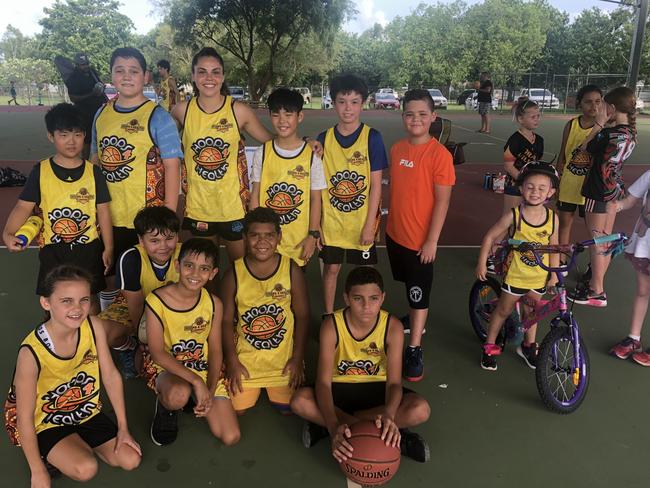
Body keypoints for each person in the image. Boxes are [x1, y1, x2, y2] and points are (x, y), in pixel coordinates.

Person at [4, 265, 141, 485]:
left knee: (130, 459)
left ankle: (72, 445)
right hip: (46, 420)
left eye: (84, 300)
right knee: (86, 468)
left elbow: (110, 376)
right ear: (46, 302)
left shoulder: (93, 326)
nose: (77, 308)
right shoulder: (30, 353)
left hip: (83, 408)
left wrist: (123, 428)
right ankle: (49, 454)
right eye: (66, 301)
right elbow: (25, 417)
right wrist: (37, 471)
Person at [290, 266, 431, 463]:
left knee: (420, 410)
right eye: (358, 299)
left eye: (373, 298)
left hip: (377, 391)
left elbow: (393, 384)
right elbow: (323, 383)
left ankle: (335, 426)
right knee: (299, 401)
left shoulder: (392, 327)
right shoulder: (332, 325)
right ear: (347, 298)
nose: (366, 306)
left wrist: (389, 415)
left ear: (382, 298)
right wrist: (333, 425)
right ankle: (390, 434)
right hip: (339, 390)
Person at [2, 103, 112, 313]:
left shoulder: (94, 173)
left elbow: (104, 211)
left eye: (77, 134)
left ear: (85, 136)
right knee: (53, 303)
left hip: (89, 250)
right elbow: (23, 207)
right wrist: (8, 233)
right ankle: (56, 342)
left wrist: (109, 247)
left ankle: (90, 341)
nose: (72, 141)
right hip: (53, 251)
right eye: (64, 135)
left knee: (89, 303)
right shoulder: (40, 171)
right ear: (51, 137)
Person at [170, 48, 274, 262]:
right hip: (199, 206)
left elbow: (271, 141)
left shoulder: (238, 111)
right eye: (202, 72)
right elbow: (157, 145)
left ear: (223, 76)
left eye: (215, 72)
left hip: (232, 207)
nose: (209, 78)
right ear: (193, 76)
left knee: (241, 268)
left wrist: (306, 142)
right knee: (205, 272)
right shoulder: (182, 111)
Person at [91, 47, 182, 282]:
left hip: (146, 220)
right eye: (119, 70)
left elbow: (172, 167)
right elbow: (94, 162)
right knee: (108, 277)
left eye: (134, 71)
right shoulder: (101, 114)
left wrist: (167, 219)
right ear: (111, 75)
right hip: (108, 216)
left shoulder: (159, 117)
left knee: (144, 281)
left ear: (146, 76)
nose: (126, 76)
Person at [385, 89, 455, 382]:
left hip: (419, 243)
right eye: (410, 114)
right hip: (394, 235)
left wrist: (431, 240)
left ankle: (414, 346)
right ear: (403, 117)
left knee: (419, 295)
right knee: (408, 286)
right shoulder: (398, 149)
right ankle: (413, 318)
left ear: (433, 117)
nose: (416, 119)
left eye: (422, 114)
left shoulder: (439, 155)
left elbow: (442, 201)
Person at [145, 238, 240, 446]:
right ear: (178, 266)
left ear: (213, 273)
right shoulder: (156, 300)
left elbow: (215, 350)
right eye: (189, 266)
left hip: (201, 366)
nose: (195, 274)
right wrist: (197, 382)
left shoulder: (214, 304)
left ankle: (193, 396)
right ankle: (166, 406)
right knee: (178, 394)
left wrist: (210, 389)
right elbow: (157, 353)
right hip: (167, 366)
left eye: (204, 268)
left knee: (230, 436)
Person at [220, 207, 310, 415]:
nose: (262, 242)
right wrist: (232, 362)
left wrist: (297, 358)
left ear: (279, 237)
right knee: (237, 411)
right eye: (254, 235)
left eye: (269, 235)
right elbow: (225, 321)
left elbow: (303, 316)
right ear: (244, 238)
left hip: (282, 361)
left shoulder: (291, 270)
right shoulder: (233, 273)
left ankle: (279, 382)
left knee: (289, 409)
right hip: (247, 360)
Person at [476, 162, 560, 371]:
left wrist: (554, 275)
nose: (535, 192)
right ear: (521, 188)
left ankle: (528, 346)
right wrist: (481, 262)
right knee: (503, 310)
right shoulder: (514, 215)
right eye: (530, 187)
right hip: (515, 275)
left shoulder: (552, 218)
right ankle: (490, 344)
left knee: (531, 314)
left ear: (551, 191)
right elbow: (490, 236)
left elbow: (554, 247)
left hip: (539, 276)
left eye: (542, 188)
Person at [317, 74, 388, 315]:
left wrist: (370, 225)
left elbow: (376, 186)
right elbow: (316, 186)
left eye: (354, 101)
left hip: (361, 223)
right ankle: (328, 315)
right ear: (333, 102)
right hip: (332, 224)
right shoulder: (323, 139)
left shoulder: (373, 138)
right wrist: (316, 225)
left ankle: (363, 317)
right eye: (342, 101)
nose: (348, 108)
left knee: (364, 275)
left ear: (363, 103)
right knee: (332, 269)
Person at [569, 86, 637, 307]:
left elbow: (584, 147)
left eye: (604, 105)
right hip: (614, 189)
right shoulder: (630, 133)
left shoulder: (607, 134)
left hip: (598, 190)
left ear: (613, 108)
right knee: (605, 239)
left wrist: (599, 123)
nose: (600, 108)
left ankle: (596, 290)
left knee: (598, 240)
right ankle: (596, 284)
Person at [99, 206, 180, 374]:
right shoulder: (130, 258)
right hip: (138, 306)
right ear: (141, 241)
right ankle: (129, 346)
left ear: (177, 236)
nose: (163, 246)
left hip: (173, 308)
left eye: (169, 238)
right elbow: (135, 306)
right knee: (101, 333)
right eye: (154, 241)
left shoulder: (185, 255)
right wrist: (141, 338)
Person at [250, 88, 326, 267]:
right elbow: (255, 196)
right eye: (276, 115)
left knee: (295, 290)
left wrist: (312, 234)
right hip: (266, 243)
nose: (282, 121)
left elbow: (316, 199)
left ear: (300, 117)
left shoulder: (311, 156)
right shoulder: (262, 152)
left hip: (298, 243)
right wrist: (253, 233)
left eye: (288, 114)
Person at [609, 170, 650, 365]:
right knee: (643, 291)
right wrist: (617, 205)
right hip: (645, 241)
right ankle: (634, 339)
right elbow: (630, 200)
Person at [556, 85, 603, 247]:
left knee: (594, 230)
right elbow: (562, 154)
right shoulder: (571, 125)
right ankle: (561, 258)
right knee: (564, 223)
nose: (594, 106)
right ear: (580, 104)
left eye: (598, 101)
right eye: (588, 102)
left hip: (590, 187)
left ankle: (595, 264)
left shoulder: (606, 129)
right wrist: (557, 181)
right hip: (569, 184)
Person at [502, 97, 544, 214]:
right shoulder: (515, 140)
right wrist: (523, 181)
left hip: (531, 186)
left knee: (527, 218)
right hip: (514, 185)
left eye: (538, 116)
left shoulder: (539, 140)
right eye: (532, 117)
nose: (536, 120)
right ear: (521, 119)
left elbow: (537, 163)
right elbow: (508, 166)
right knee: (510, 218)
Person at [65, 53, 107, 159]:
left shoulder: (92, 72)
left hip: (99, 109)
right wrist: (92, 94)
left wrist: (101, 86)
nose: (86, 66)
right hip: (84, 113)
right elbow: (73, 98)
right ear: (77, 65)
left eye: (87, 63)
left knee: (102, 136)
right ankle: (85, 164)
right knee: (87, 140)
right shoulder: (73, 78)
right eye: (83, 65)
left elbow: (100, 82)